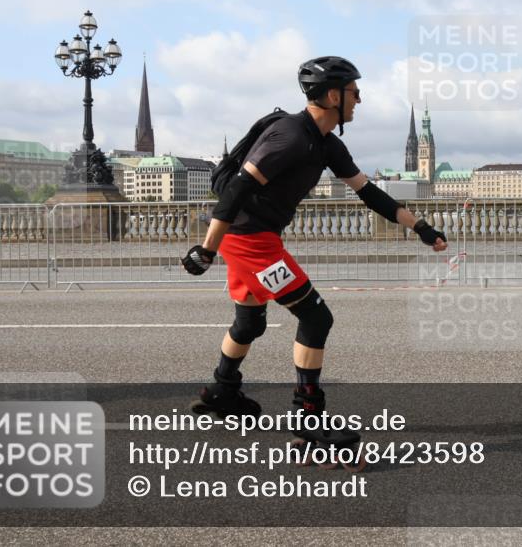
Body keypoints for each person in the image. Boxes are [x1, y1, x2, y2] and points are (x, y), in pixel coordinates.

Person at [181, 56, 447, 430]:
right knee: (315, 317)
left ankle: (222, 390)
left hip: (252, 238)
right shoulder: (289, 136)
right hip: (250, 241)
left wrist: (422, 228)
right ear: (332, 95)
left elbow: (370, 194)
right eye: (354, 92)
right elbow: (239, 187)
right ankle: (309, 418)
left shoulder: (327, 145)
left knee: (249, 322)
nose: (359, 99)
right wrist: (207, 249)